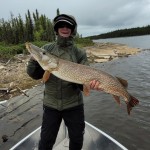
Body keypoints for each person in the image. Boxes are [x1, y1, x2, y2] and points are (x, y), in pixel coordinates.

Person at [27, 14, 101, 150]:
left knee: (77, 140)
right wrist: (33, 60)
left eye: (68, 26)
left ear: (73, 30)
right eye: (61, 25)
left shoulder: (79, 52)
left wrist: (90, 84)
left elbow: (85, 78)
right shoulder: (47, 49)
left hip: (74, 105)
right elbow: (34, 74)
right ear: (56, 29)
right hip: (51, 104)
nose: (65, 28)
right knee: (45, 141)